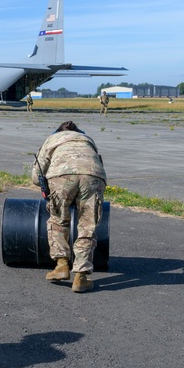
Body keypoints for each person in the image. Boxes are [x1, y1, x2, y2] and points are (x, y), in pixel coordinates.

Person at [31, 120, 107, 293]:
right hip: (93, 175)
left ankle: (62, 265)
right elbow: (99, 163)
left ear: (58, 131)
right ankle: (81, 277)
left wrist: (47, 187)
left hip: (61, 175)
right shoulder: (87, 139)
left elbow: (36, 176)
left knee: (58, 220)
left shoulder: (52, 140)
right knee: (87, 226)